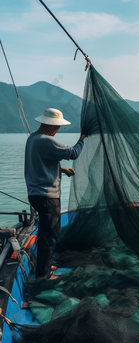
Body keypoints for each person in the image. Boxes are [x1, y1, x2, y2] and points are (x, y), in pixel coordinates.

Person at [25, 108, 87, 279]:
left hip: (35, 194)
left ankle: (45, 264)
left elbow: (40, 163)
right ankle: (43, 275)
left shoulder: (33, 139)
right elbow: (74, 153)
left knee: (47, 230)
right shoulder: (47, 141)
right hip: (47, 196)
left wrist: (61, 169)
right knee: (50, 234)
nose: (57, 130)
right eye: (58, 126)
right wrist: (82, 139)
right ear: (54, 126)